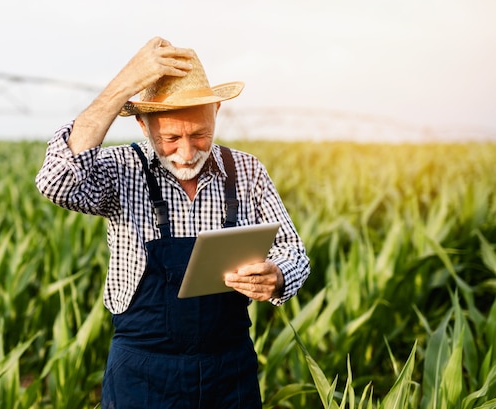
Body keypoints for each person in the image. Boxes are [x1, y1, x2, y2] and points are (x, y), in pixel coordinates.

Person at [35, 37, 310, 409]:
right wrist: (123, 86)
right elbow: (56, 180)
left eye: (200, 135)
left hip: (230, 373)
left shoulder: (246, 170)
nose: (186, 152)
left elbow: (294, 251)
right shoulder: (121, 170)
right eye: (170, 137)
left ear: (216, 112)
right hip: (143, 376)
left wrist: (277, 274)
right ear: (143, 126)